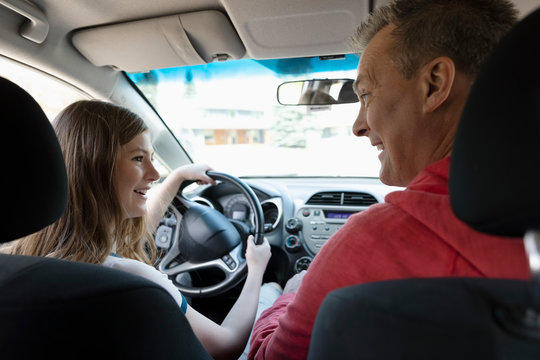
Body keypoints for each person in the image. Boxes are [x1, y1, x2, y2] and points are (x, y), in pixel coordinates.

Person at [248, 0, 529, 359]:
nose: (358, 126)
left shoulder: (376, 242)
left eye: (365, 95)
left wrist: (287, 295)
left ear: (434, 84)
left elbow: (271, 356)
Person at [8, 100, 271, 360]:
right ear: (97, 168)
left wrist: (177, 177)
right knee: (274, 294)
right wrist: (256, 270)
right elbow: (226, 345)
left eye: (153, 159)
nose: (155, 173)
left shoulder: (15, 259)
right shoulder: (133, 278)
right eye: (138, 158)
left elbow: (134, 232)